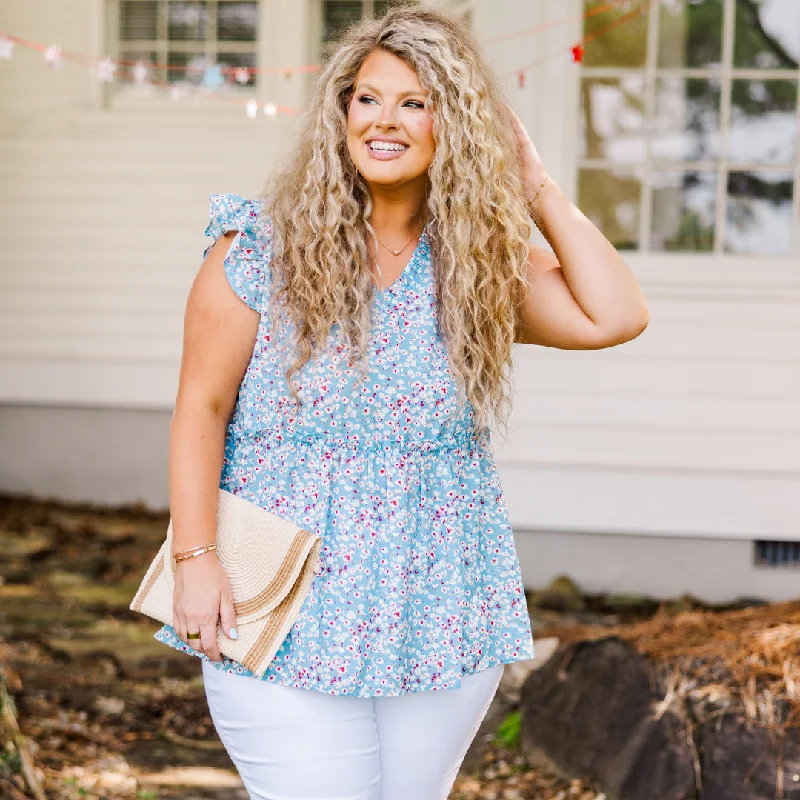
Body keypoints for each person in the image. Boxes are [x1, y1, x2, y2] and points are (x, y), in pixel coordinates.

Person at [152, 6, 649, 799]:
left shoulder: (477, 266)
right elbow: (199, 410)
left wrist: (537, 188)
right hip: (276, 608)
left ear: (452, 124)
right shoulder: (257, 250)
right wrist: (195, 560)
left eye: (415, 102)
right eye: (369, 98)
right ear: (340, 113)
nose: (386, 121)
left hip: (438, 609)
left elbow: (615, 315)